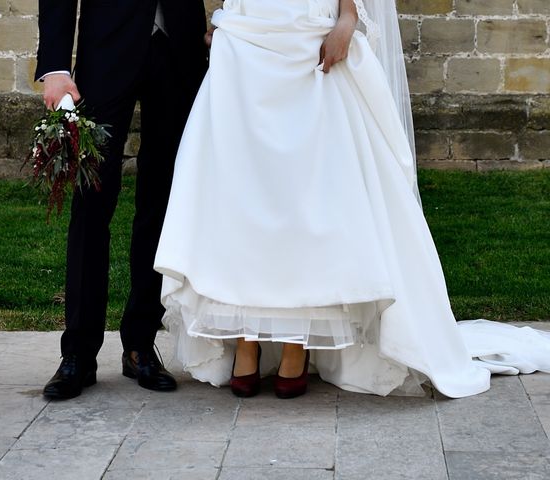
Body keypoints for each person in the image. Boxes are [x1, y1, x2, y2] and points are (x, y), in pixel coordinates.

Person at [153, 0, 550, 399]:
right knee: (241, 192)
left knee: (306, 195)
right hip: (246, 43)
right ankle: (245, 339)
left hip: (309, 39)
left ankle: (297, 342)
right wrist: (224, 16)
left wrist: (347, 20)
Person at [36, 0, 209, 399]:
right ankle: (78, 353)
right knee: (91, 201)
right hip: (107, 49)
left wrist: (229, 24)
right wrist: (56, 67)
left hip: (180, 49)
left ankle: (140, 344)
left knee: (163, 201)